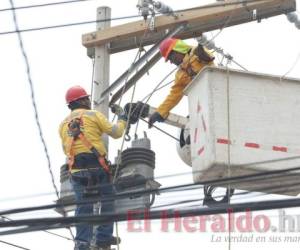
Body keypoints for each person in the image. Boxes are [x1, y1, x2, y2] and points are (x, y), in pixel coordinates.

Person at [59, 85, 127, 250]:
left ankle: (82, 243)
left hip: (76, 171)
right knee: (108, 199)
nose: (89, 100)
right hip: (97, 167)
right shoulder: (93, 115)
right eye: (87, 98)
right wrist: (122, 117)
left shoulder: (62, 125)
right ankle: (103, 238)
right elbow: (117, 132)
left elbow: (65, 148)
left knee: (83, 208)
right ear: (82, 100)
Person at [148, 38, 215, 128]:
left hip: (216, 93)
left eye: (171, 57)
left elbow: (209, 59)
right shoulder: (180, 74)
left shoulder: (196, 52)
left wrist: (204, 56)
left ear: (178, 50)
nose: (171, 62)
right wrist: (160, 112)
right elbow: (174, 95)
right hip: (202, 104)